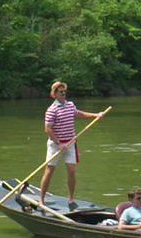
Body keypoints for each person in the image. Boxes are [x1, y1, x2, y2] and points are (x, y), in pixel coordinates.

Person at [39, 80, 104, 209]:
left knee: (72, 170)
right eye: (60, 92)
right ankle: (41, 199)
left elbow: (79, 114)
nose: (63, 93)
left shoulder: (70, 105)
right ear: (54, 94)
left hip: (70, 143)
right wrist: (59, 143)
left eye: (64, 91)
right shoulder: (51, 110)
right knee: (49, 170)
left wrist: (96, 115)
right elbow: (48, 129)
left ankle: (71, 198)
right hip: (55, 144)